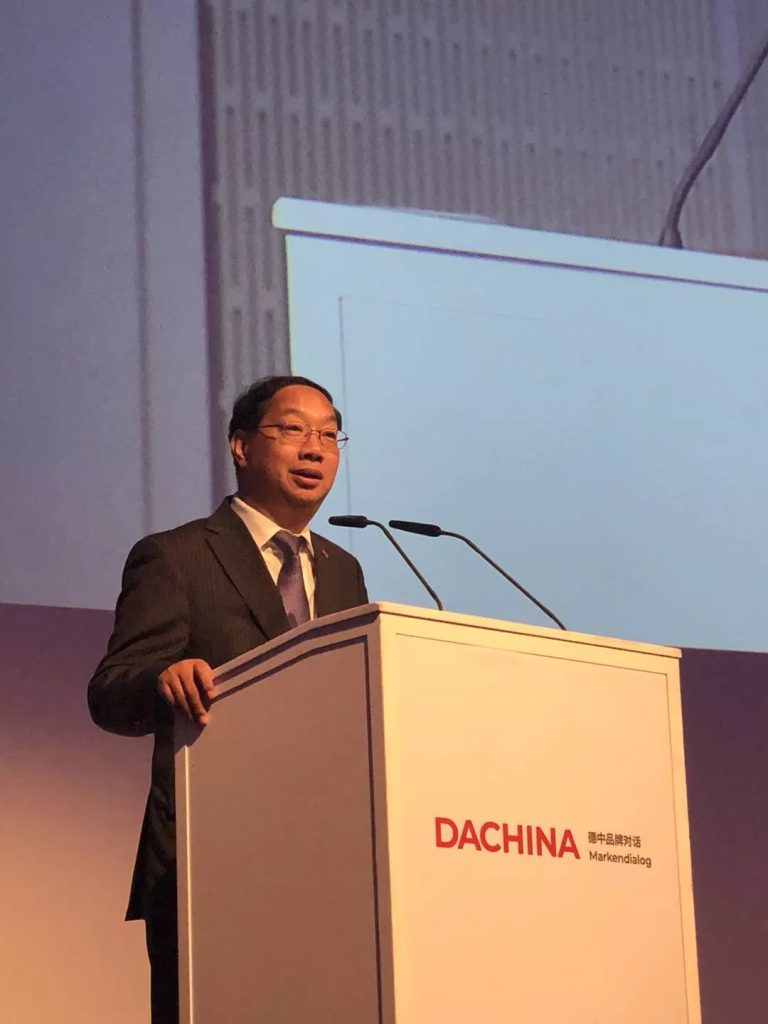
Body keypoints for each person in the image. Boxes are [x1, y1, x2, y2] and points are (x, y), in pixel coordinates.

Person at [88, 375, 368, 1024]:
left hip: (326, 859)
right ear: (241, 446)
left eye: (329, 435)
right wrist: (161, 679)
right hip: (209, 858)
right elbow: (110, 691)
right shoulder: (176, 556)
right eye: (293, 429)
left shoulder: (343, 570)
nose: (315, 448)